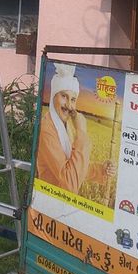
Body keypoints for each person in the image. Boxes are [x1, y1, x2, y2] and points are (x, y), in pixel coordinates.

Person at [35, 63, 113, 193]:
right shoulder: (47, 129)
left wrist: (100, 170)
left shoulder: (65, 127)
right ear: (53, 96)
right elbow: (69, 181)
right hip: (50, 206)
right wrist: (81, 132)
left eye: (73, 99)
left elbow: (74, 166)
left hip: (62, 206)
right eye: (64, 96)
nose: (69, 105)